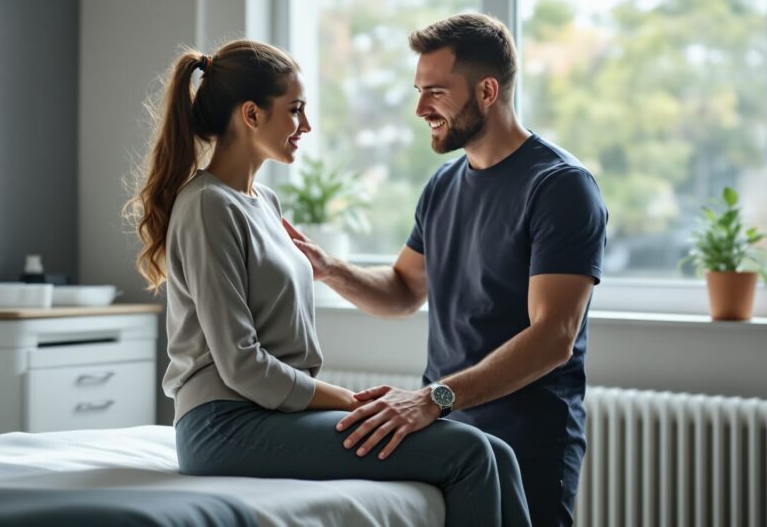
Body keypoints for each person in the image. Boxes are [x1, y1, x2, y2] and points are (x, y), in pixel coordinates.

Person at [124, 39, 532, 527]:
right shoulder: (208, 206)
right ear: (251, 115)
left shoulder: (264, 204)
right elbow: (241, 365)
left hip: (270, 415)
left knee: (497, 452)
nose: (305, 126)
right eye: (294, 111)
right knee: (465, 452)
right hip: (223, 425)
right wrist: (352, 400)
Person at [284, 14, 608, 527]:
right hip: (445, 437)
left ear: (486, 90)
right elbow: (403, 289)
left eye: (435, 91)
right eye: (418, 91)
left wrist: (435, 399)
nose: (419, 108)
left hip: (527, 443)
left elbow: (554, 336)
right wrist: (330, 269)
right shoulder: (442, 185)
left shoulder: (561, 187)